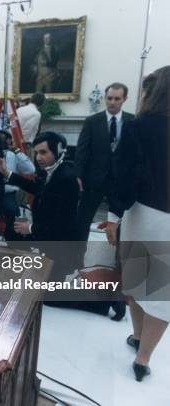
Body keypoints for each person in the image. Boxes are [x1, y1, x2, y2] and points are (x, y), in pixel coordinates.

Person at [0, 132, 123, 318]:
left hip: (62, 246)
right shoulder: (54, 172)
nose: (39, 157)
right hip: (49, 236)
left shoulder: (66, 179)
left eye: (44, 152)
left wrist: (30, 228)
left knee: (45, 296)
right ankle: (30, 271)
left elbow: (61, 226)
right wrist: (8, 173)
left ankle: (105, 300)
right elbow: (37, 187)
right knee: (12, 231)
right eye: (37, 153)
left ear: (58, 151)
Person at [106, 66, 170, 382]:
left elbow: (125, 177)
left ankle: (136, 336)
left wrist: (113, 215)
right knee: (161, 292)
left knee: (136, 281)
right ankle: (143, 357)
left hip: (145, 215)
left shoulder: (139, 126)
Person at [75, 83, 134, 242]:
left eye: (117, 99)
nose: (112, 102)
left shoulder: (132, 121)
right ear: (105, 98)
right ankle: (75, 259)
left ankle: (117, 260)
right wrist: (78, 174)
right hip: (94, 180)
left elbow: (135, 153)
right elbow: (82, 149)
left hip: (120, 182)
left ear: (124, 99)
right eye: (109, 98)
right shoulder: (92, 121)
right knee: (82, 221)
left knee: (121, 223)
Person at [0, 130, 35, 241]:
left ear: (9, 141)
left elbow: (31, 169)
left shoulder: (13, 155)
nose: (1, 141)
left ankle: (13, 243)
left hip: (7, 193)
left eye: (4, 138)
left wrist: (17, 151)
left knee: (13, 214)